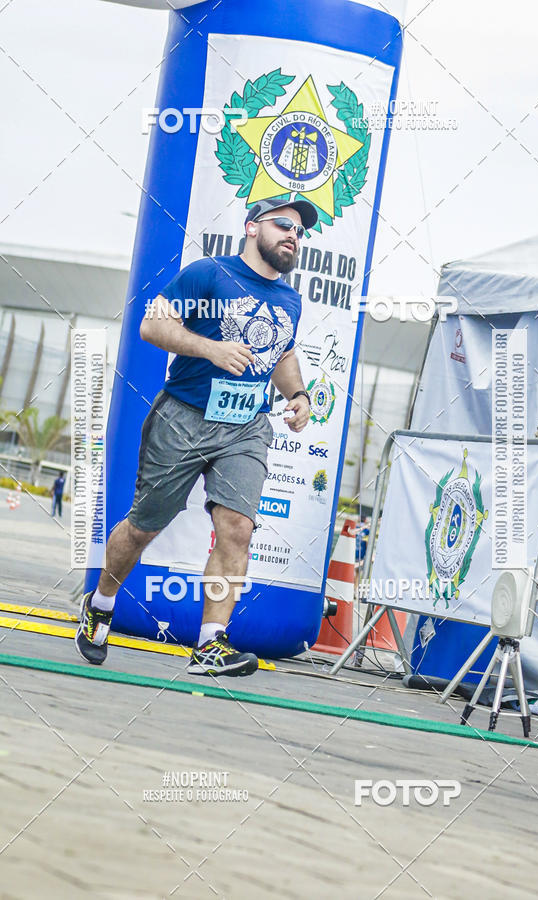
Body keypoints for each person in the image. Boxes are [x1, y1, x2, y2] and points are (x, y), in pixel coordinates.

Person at [75, 198, 317, 676]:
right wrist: (211, 349)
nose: (294, 235)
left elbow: (283, 353)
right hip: (184, 417)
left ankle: (211, 644)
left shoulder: (291, 298)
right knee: (144, 526)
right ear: (252, 228)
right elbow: (153, 324)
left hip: (246, 427)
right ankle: (101, 602)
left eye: (301, 231)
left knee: (238, 529)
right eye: (284, 224)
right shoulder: (207, 274)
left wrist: (299, 394)